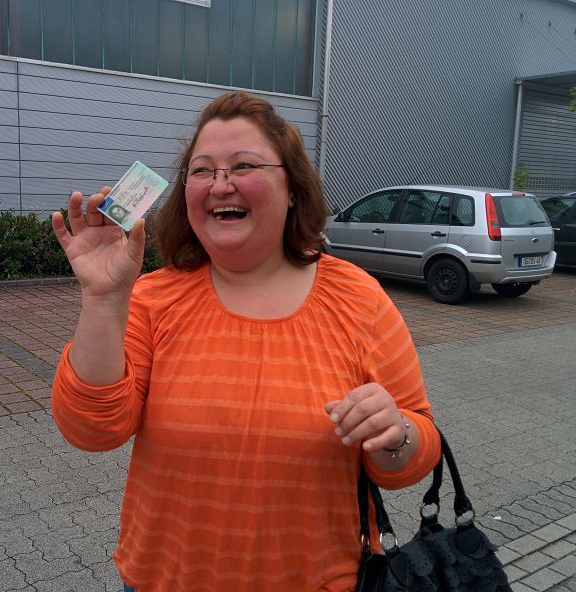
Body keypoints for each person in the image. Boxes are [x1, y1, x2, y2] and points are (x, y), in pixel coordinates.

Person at [50, 91, 442, 592]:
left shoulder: (358, 298)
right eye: (202, 170)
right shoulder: (153, 298)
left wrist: (395, 434)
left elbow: (413, 454)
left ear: (293, 188)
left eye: (243, 165)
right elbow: (92, 431)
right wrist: (104, 299)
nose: (220, 184)